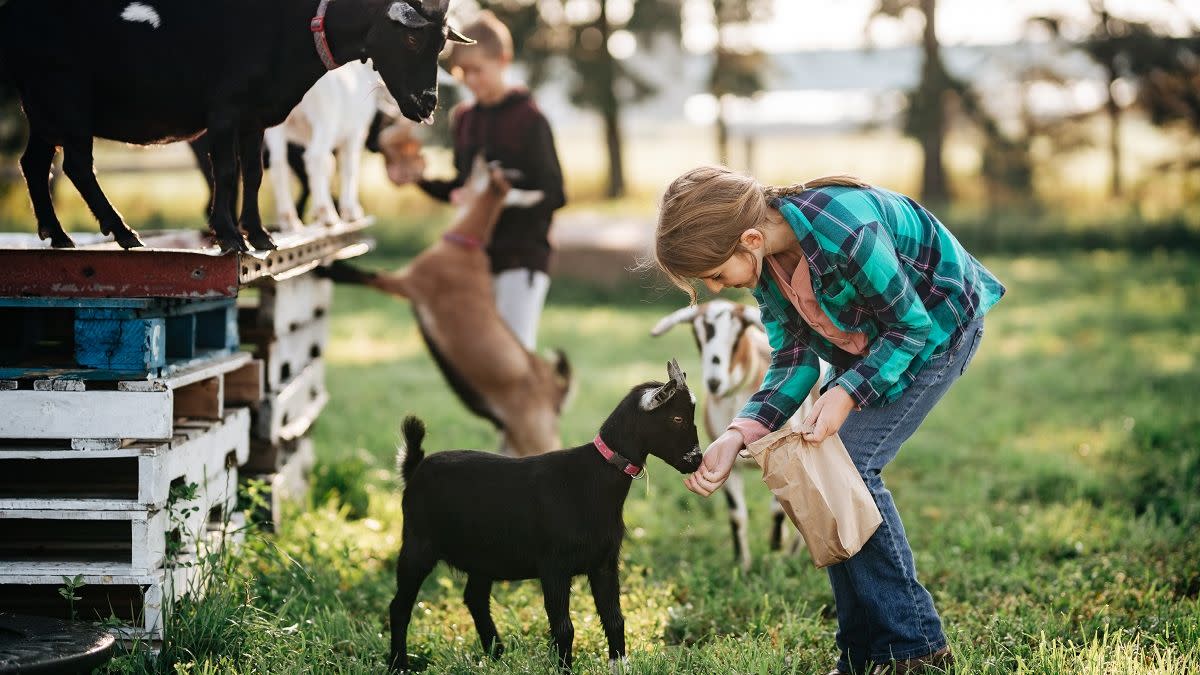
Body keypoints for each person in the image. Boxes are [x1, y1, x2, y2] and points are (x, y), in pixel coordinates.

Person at [653, 166, 1005, 675]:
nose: (714, 289)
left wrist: (845, 391)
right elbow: (793, 359)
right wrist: (736, 435)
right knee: (829, 470)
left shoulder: (847, 230)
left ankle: (917, 648)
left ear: (750, 237)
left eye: (714, 274)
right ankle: (860, 652)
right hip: (870, 340)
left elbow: (909, 328)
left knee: (851, 467)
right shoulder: (766, 262)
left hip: (937, 328)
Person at [411, 11, 565, 350]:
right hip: (476, 261)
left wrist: (499, 197)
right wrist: (419, 179)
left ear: (504, 60)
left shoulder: (530, 119)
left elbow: (555, 194)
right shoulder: (464, 120)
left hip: (522, 258)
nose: (470, 80)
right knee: (478, 356)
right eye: (462, 73)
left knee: (514, 353)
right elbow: (460, 188)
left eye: (477, 70)